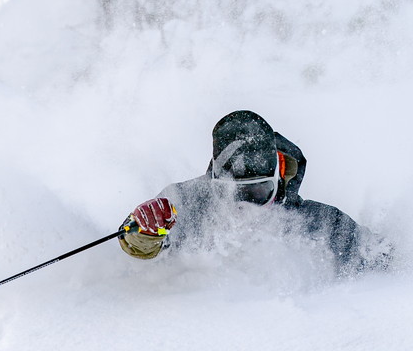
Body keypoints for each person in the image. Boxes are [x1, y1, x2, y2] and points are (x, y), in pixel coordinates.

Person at [119, 110, 389, 272]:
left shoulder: (320, 224)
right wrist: (144, 233)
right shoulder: (185, 204)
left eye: (259, 192)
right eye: (230, 193)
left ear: (279, 180)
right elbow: (142, 254)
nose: (243, 206)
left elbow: (381, 261)